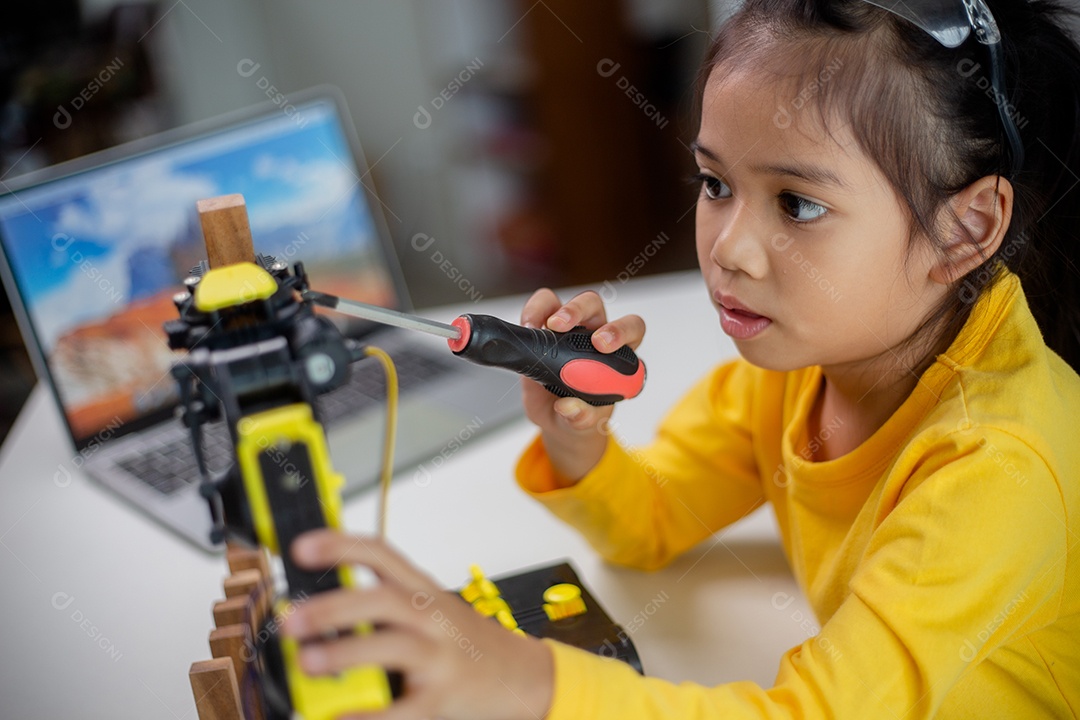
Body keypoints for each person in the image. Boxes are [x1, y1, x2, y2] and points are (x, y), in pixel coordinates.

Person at [281, 0, 1080, 717]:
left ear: (966, 231)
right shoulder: (804, 367)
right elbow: (651, 523)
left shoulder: (998, 471)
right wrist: (577, 437)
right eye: (715, 182)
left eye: (798, 204)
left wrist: (531, 683)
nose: (727, 250)